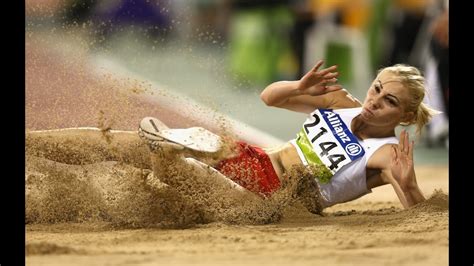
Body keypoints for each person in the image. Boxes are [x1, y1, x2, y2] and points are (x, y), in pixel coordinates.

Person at [26, 59, 438, 219]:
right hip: (253, 160)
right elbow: (269, 98)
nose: (374, 102)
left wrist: (410, 184)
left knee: (189, 185)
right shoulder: (341, 102)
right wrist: (298, 84)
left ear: (403, 115)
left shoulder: (384, 154)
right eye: (376, 89)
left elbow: (421, 215)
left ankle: (180, 150)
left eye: (388, 102)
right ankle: (31, 143)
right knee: (122, 142)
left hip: (277, 200)